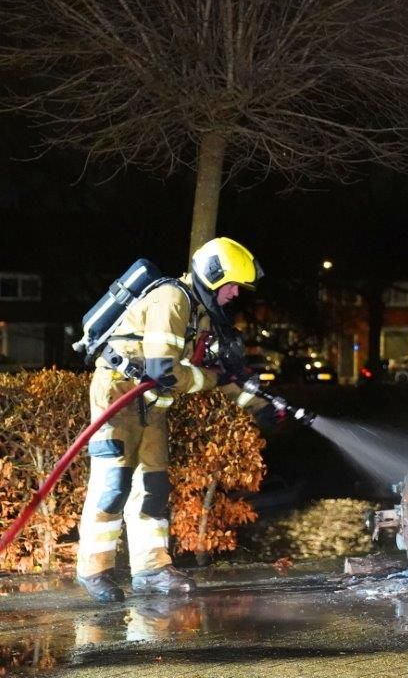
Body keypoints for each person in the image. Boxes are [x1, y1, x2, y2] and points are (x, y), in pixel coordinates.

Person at [75, 237, 274, 602]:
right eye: (231, 285)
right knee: (113, 483)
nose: (234, 294)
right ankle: (94, 570)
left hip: (153, 404)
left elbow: (216, 372)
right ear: (212, 275)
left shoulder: (200, 314)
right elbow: (165, 371)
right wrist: (214, 378)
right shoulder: (172, 299)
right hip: (118, 395)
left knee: (153, 488)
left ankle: (151, 569)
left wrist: (260, 405)